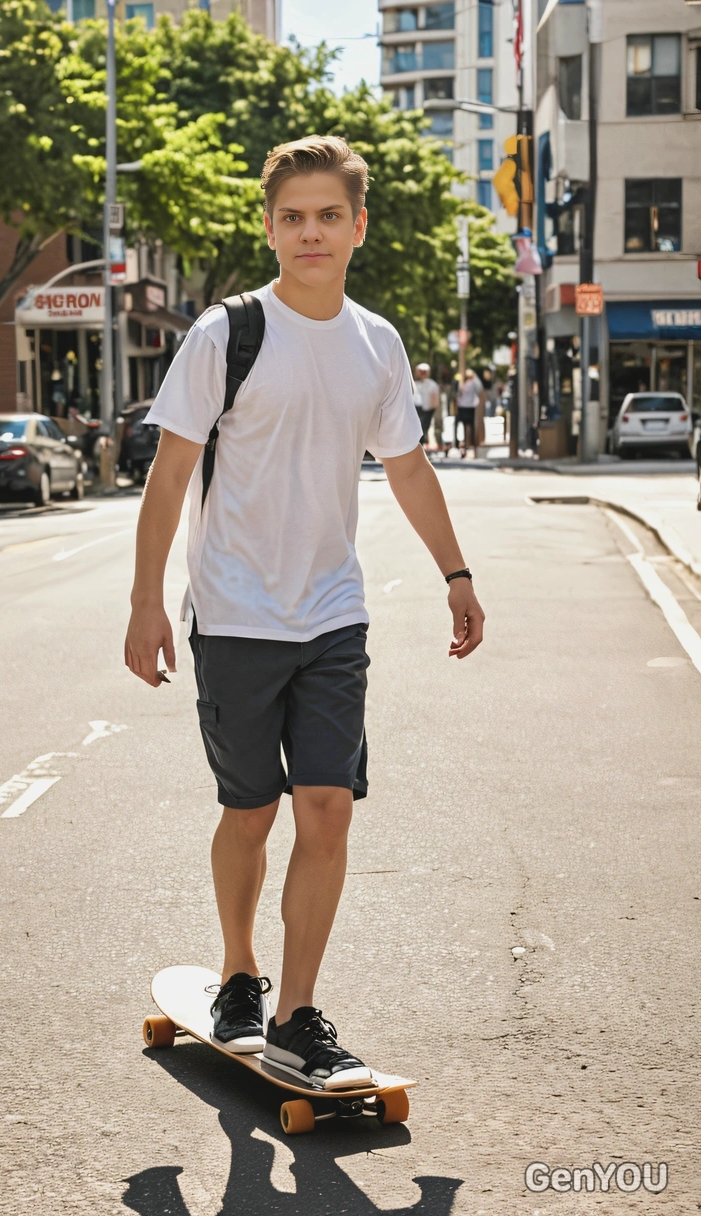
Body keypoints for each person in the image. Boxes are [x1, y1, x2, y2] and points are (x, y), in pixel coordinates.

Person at [124, 135, 484, 1090]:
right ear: (271, 227)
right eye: (294, 217)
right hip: (236, 617)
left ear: (358, 226)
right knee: (249, 814)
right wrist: (145, 603)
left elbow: (406, 466)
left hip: (332, 616)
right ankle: (240, 971)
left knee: (327, 810)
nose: (311, 232)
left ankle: (295, 1015)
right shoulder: (226, 334)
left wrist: (455, 570)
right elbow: (168, 477)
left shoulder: (377, 343)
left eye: (329, 215)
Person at [456, 368, 485, 458]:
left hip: (468, 407)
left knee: (469, 426)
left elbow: (480, 390)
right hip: (464, 407)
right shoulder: (463, 383)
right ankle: (464, 445)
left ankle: (469, 445)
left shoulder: (473, 383)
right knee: (466, 426)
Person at [412, 363, 440, 449]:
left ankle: (420, 446)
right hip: (415, 409)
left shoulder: (432, 384)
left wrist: (430, 410)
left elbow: (435, 399)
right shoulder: (414, 383)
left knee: (423, 429)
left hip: (426, 410)